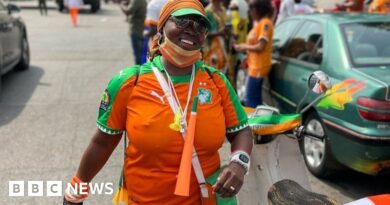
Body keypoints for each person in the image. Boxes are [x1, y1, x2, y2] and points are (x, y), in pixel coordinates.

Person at [63, 0, 253, 204]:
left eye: (199, 25)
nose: (190, 29)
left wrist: (239, 163)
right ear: (161, 27)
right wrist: (76, 191)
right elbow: (102, 143)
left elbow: (241, 130)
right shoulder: (130, 82)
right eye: (181, 21)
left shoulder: (217, 82)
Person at [234, 0, 274, 108]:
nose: (250, 12)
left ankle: (254, 123)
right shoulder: (259, 24)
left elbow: (261, 46)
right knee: (254, 99)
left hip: (258, 68)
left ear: (259, 10)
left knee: (250, 100)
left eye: (252, 9)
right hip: (254, 67)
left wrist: (243, 46)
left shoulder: (265, 23)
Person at [202, 0, 231, 72]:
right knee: (213, 71)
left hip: (224, 46)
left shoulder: (223, 10)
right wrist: (219, 33)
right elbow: (203, 32)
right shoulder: (207, 12)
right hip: (211, 48)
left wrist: (231, 32)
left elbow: (227, 25)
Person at [120, 0, 147, 65]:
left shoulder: (136, 1)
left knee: (138, 55)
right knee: (142, 54)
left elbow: (128, 11)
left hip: (136, 30)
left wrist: (121, 5)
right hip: (142, 29)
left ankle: (139, 73)